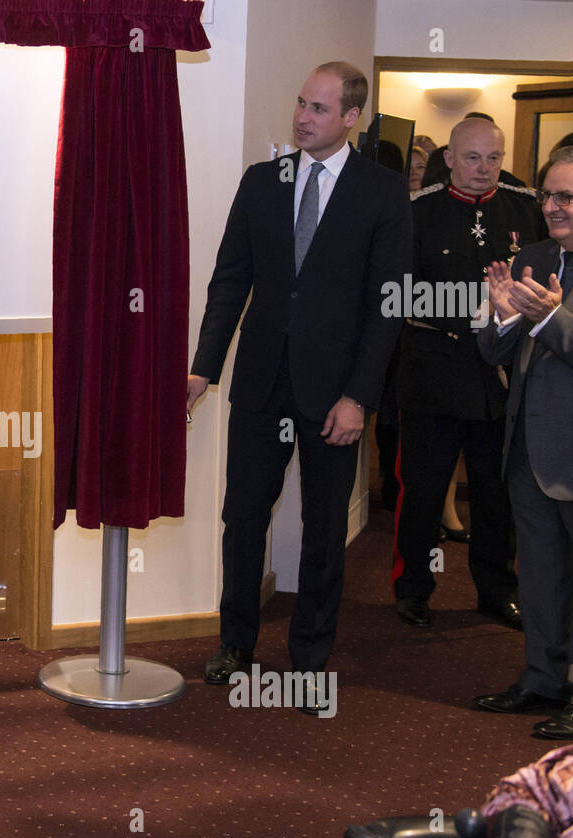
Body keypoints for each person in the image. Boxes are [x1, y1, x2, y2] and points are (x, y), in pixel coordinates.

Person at [186, 62, 411, 710]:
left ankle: (311, 661)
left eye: (318, 107)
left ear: (350, 118)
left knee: (321, 529)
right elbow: (231, 280)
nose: (302, 116)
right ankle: (235, 643)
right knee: (241, 518)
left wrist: (359, 397)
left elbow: (386, 304)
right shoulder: (262, 182)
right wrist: (205, 367)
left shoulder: (380, 192)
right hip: (260, 384)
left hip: (334, 394)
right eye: (300, 102)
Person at [475, 144, 573, 741]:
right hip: (530, 452)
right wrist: (500, 320)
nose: (551, 207)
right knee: (539, 577)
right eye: (548, 195)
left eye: (567, 196)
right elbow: (498, 355)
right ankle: (543, 677)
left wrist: (549, 320)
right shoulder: (535, 257)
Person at [392, 118, 543, 630]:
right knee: (424, 491)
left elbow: (543, 284)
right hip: (433, 371)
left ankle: (498, 590)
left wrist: (509, 320)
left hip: (499, 379)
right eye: (473, 158)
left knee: (496, 494)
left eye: (494, 158)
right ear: (450, 158)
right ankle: (413, 588)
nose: (484, 169)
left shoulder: (526, 207)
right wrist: (488, 310)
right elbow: (398, 294)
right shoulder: (417, 211)